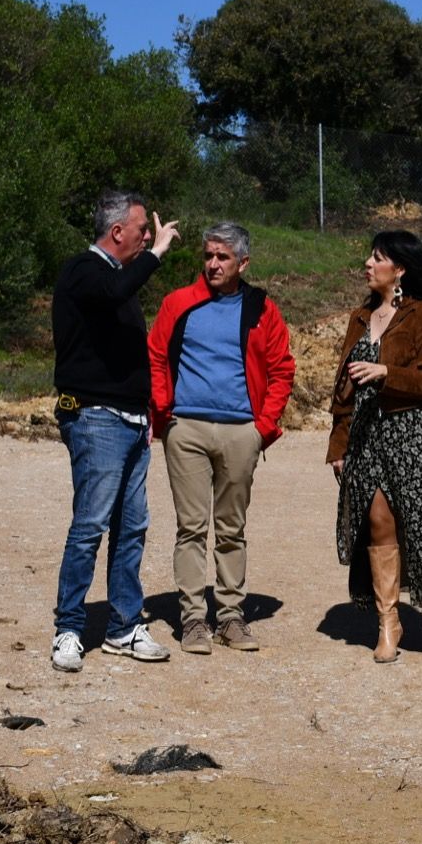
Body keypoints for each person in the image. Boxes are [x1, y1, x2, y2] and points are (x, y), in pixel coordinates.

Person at [148, 222, 296, 655]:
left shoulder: (261, 308)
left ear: (242, 263)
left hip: (241, 431)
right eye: (208, 255)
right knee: (191, 528)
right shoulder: (178, 303)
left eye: (222, 257)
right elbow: (155, 355)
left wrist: (262, 428)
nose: (212, 263)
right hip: (186, 429)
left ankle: (231, 616)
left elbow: (282, 368)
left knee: (232, 528)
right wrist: (165, 415)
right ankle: (194, 619)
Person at [49, 189, 180, 673]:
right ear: (117, 232)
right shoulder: (85, 273)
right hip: (95, 418)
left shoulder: (117, 281)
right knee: (90, 527)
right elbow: (116, 292)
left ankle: (124, 625)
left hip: (131, 420)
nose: (148, 235)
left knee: (133, 528)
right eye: (142, 229)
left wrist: (146, 412)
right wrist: (156, 254)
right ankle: (69, 628)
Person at [327, 230, 422, 664]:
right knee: (378, 523)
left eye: (378, 258)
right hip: (367, 436)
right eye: (369, 257)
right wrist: (338, 445)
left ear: (400, 269)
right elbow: (342, 390)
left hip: (412, 433)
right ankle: (389, 623)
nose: (368, 264)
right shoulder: (359, 317)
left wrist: (387, 371)